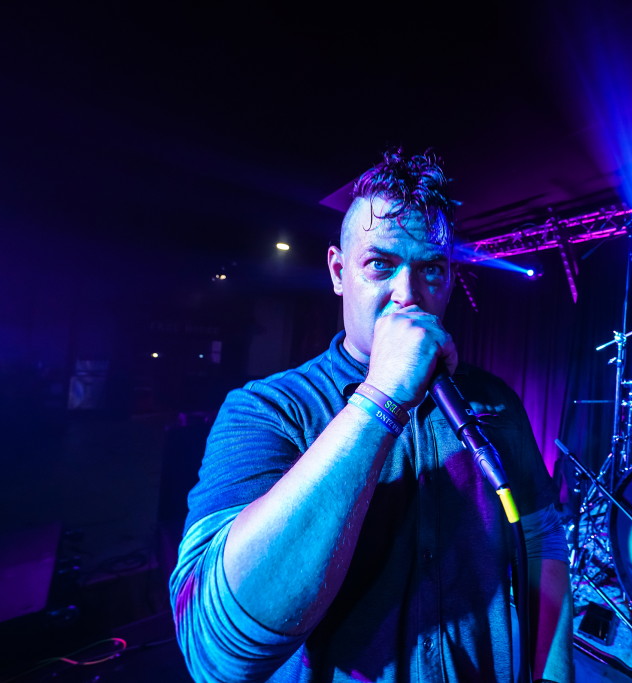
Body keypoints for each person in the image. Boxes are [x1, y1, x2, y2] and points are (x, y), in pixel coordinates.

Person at [170, 150, 574, 683]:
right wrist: (383, 394)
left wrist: (553, 675)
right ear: (339, 272)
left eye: (430, 269)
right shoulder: (267, 410)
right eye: (381, 264)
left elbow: (542, 542)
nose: (408, 295)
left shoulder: (495, 402)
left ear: (450, 279)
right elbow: (216, 653)